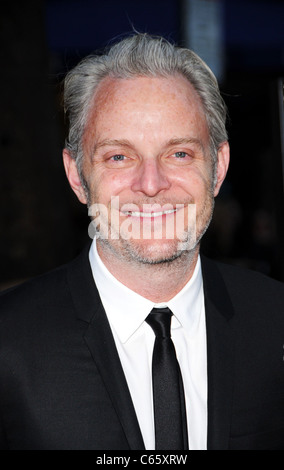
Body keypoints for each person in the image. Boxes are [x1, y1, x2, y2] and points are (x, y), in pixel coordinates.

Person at [0, 33, 284, 451]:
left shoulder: (276, 321)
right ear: (77, 176)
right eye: (119, 156)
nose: (151, 185)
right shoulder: (9, 343)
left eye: (180, 154)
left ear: (218, 168)